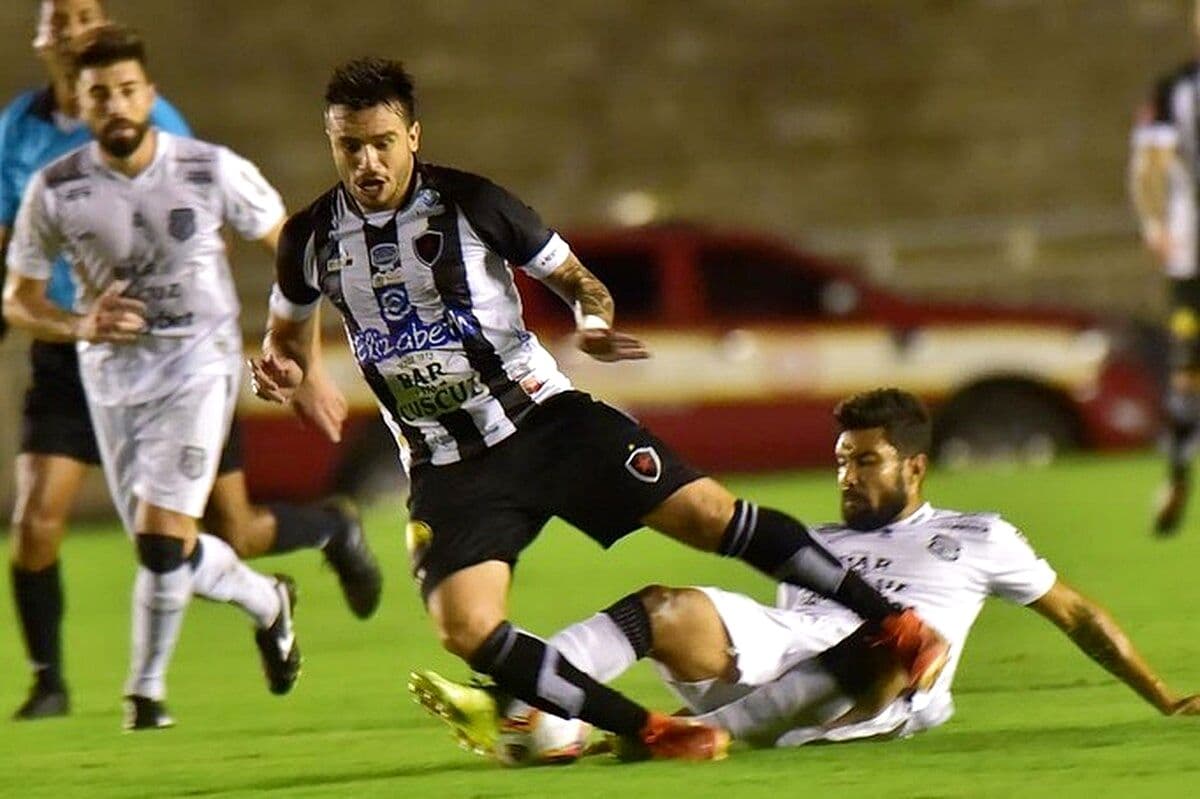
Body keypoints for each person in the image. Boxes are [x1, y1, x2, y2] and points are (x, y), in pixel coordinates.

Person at [250, 57, 948, 761]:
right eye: (350, 146)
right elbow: (287, 334)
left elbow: (577, 278)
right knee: (465, 627)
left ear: (413, 135)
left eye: (383, 142)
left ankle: (895, 624)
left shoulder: (474, 204)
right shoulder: (310, 239)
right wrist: (288, 372)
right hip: (446, 464)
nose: (368, 161)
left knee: (708, 516)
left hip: (545, 421)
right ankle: (652, 729)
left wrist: (589, 322)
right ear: (331, 142)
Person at [411, 388, 1200, 760]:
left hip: (890, 680)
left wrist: (1161, 695)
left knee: (898, 639)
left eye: (866, 460)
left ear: (916, 466)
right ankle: (518, 701)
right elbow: (778, 630)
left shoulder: (979, 535)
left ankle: (676, 738)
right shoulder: (814, 542)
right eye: (841, 461)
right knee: (661, 604)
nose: (847, 476)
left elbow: (1078, 615)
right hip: (790, 653)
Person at [0, 0, 382, 722]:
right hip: (93, 366)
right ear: (79, 103)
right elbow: (16, 290)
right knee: (130, 536)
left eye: (126, 89)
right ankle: (265, 598)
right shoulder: (42, 171)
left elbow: (289, 249)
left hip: (196, 365)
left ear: (149, 94)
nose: (114, 103)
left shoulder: (201, 162)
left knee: (174, 536)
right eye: (99, 93)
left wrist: (309, 359)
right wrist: (80, 320)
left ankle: (143, 695)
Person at [1130, 1, 1200, 536]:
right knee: (1188, 371)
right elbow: (1151, 166)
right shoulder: (1175, 90)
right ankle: (1178, 474)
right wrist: (1155, 224)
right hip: (1193, 256)